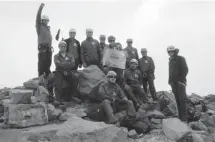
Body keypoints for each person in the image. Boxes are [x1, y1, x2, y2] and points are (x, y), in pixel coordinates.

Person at [167, 45, 189, 122]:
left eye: (171, 51)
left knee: (182, 99)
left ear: (174, 51)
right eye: (169, 52)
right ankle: (180, 117)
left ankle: (184, 118)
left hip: (180, 82)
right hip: (173, 83)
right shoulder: (170, 60)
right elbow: (171, 72)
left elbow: (185, 69)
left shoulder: (180, 58)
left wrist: (181, 80)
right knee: (176, 100)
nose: (170, 53)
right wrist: (169, 81)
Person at [36, 3, 53, 77]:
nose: (46, 22)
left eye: (47, 20)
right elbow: (37, 18)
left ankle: (47, 77)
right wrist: (41, 7)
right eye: (44, 20)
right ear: (42, 21)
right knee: (42, 64)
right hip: (42, 48)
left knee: (48, 63)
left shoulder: (48, 29)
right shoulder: (39, 27)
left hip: (48, 48)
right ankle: (41, 77)